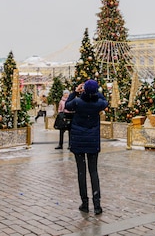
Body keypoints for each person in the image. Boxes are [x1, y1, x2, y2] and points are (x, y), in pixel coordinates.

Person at [65, 79, 108, 215]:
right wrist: (96, 92)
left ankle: (85, 203)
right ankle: (97, 205)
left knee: (81, 172)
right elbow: (104, 101)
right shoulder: (99, 104)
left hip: (78, 141)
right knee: (93, 172)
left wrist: (75, 92)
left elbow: (67, 105)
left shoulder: (78, 102)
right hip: (93, 141)